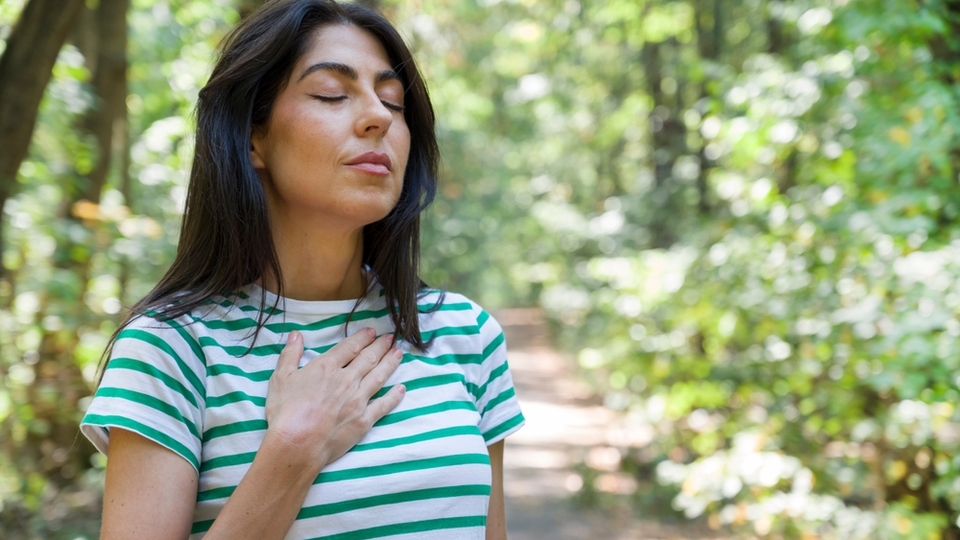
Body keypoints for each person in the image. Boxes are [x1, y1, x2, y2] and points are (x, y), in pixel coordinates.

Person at [79, 1, 524, 538]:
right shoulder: (171, 350)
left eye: (393, 101)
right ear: (252, 137)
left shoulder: (464, 334)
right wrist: (294, 448)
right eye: (331, 94)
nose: (379, 116)